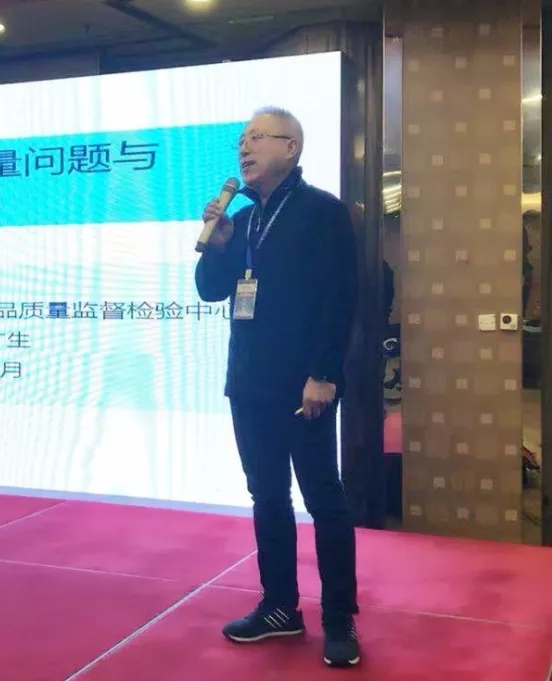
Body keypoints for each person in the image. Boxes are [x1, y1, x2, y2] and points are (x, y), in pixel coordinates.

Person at [194, 107, 360, 668]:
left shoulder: (322, 211)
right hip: (249, 382)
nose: (244, 148)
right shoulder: (241, 219)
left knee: (323, 498)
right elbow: (211, 291)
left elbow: (340, 298)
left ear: (291, 147)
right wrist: (217, 243)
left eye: (256, 138)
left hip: (303, 384)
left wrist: (325, 374)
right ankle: (279, 607)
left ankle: (338, 618)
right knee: (266, 496)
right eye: (241, 140)